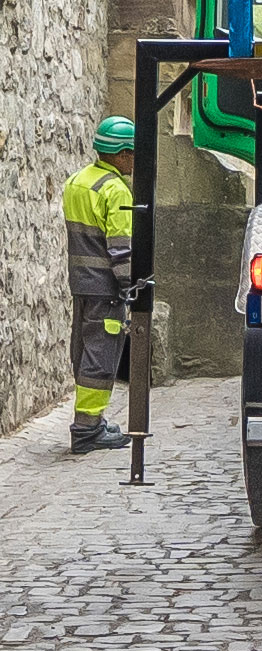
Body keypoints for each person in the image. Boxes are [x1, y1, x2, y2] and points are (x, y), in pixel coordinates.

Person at [62, 116, 135, 454]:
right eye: (132, 153)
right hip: (106, 288)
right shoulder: (115, 189)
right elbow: (120, 248)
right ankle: (87, 429)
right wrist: (129, 286)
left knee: (84, 349)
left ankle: (91, 422)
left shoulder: (76, 182)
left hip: (81, 284)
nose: (134, 160)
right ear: (120, 153)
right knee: (101, 355)